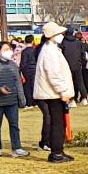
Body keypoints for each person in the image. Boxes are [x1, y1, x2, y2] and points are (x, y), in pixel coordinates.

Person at [33, 22, 75, 163]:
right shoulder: (49, 51)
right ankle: (56, 152)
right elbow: (53, 74)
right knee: (57, 123)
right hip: (53, 93)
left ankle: (58, 150)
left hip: (52, 92)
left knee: (59, 122)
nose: (61, 36)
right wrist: (63, 91)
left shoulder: (51, 49)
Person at [0, 40, 27, 157]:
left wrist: (21, 99)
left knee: (14, 125)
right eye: (5, 49)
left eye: (9, 49)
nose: (9, 52)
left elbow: (18, 82)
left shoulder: (13, 65)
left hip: (12, 101)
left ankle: (17, 148)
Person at [60, 30, 88, 106]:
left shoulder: (63, 43)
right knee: (80, 82)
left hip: (67, 65)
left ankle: (72, 100)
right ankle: (84, 98)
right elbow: (83, 54)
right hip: (77, 65)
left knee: (69, 83)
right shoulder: (79, 43)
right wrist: (82, 63)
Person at [19, 35, 38, 108]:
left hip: (26, 70)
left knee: (27, 87)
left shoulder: (24, 51)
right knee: (34, 86)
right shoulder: (35, 50)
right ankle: (35, 102)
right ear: (33, 41)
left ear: (25, 41)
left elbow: (23, 63)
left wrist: (20, 71)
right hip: (35, 70)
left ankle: (29, 103)